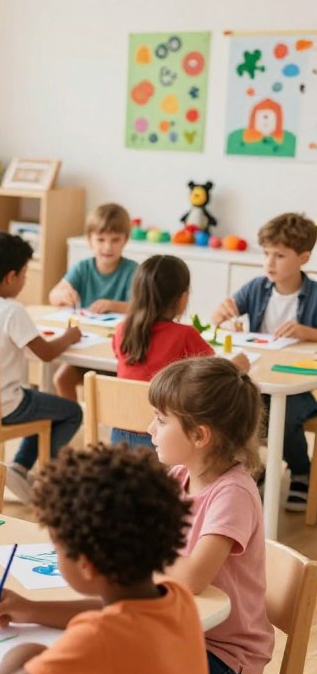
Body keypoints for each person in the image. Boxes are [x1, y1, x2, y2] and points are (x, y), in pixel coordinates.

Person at [0, 445, 209, 674]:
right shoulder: (176, 598)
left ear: (86, 565)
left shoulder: (97, 641)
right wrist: (31, 608)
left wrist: (23, 653)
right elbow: (110, 615)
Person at [149, 357, 274, 674]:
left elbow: (191, 578)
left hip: (225, 656)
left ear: (200, 435)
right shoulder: (179, 477)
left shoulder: (232, 494)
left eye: (161, 420)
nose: (149, 429)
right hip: (184, 629)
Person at [0, 231, 82, 504]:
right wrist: (70, 337)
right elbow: (46, 354)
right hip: (6, 404)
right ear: (11, 277)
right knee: (71, 411)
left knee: (44, 404)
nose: (24, 280)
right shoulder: (12, 311)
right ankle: (34, 472)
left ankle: (20, 468)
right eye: (24, 274)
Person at [212, 212, 317, 511]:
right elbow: (217, 320)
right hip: (259, 380)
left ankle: (300, 470)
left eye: (280, 255)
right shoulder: (256, 288)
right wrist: (220, 317)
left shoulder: (316, 295)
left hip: (301, 388)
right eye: (267, 253)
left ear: (303, 258)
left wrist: (308, 332)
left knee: (281, 418)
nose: (270, 263)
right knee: (242, 413)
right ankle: (256, 469)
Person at [112, 254, 248, 448]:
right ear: (183, 298)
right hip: (163, 438)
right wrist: (236, 366)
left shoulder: (122, 330)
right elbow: (214, 376)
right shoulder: (185, 335)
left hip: (119, 435)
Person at [48, 203, 137, 400]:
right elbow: (53, 295)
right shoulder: (83, 268)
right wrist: (63, 295)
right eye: (101, 239)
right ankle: (72, 422)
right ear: (90, 240)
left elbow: (141, 307)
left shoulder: (133, 270)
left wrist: (113, 305)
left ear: (125, 240)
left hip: (117, 353)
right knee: (61, 378)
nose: (107, 246)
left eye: (115, 240)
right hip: (88, 346)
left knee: (116, 389)